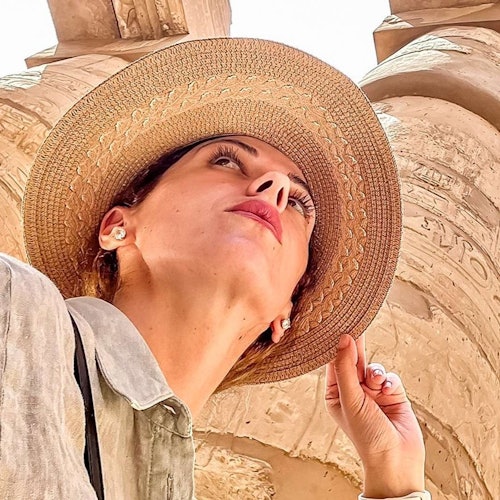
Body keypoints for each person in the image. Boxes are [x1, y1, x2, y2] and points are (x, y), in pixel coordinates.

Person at [0, 38, 430, 499]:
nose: (275, 186)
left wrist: (393, 477)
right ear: (118, 226)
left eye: (299, 202)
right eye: (225, 160)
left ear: (286, 310)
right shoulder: (12, 310)